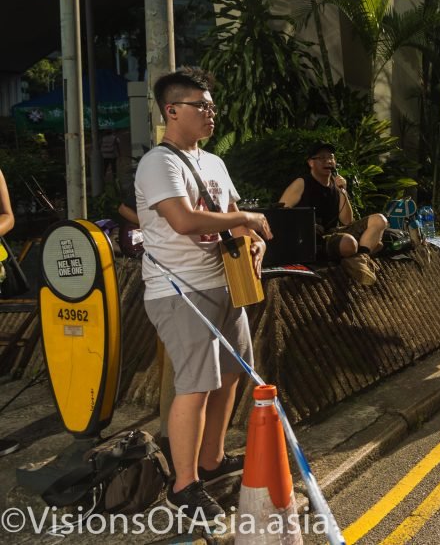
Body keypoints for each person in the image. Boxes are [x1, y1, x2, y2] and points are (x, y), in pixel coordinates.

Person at [135, 68, 273, 525]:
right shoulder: (159, 162)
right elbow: (184, 220)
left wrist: (253, 241)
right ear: (172, 110)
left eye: (212, 105)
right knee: (195, 386)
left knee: (231, 375)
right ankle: (184, 485)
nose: (212, 113)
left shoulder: (214, 162)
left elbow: (230, 217)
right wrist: (248, 219)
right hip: (179, 290)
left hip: (225, 284)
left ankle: (212, 461)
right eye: (202, 106)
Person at [279, 142, 387, 286]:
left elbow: (347, 221)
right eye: (322, 158)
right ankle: (356, 254)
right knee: (351, 243)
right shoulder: (302, 183)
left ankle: (359, 258)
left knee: (380, 220)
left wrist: (343, 191)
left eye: (331, 158)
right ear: (311, 163)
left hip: (334, 234)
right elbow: (280, 213)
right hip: (314, 240)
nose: (328, 161)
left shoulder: (336, 186)